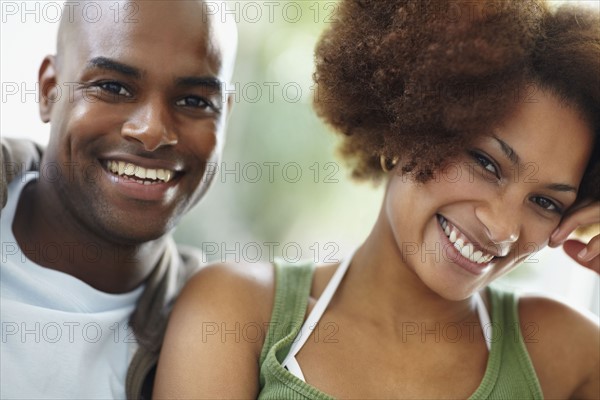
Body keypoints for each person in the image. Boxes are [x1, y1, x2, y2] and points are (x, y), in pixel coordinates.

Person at [154, 0, 600, 398]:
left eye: (547, 203)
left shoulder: (566, 354)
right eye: (485, 162)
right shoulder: (237, 311)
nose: (503, 228)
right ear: (408, 125)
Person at [0, 1, 237, 398]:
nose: (152, 131)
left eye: (194, 101)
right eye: (113, 87)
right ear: (49, 90)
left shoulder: (222, 338)